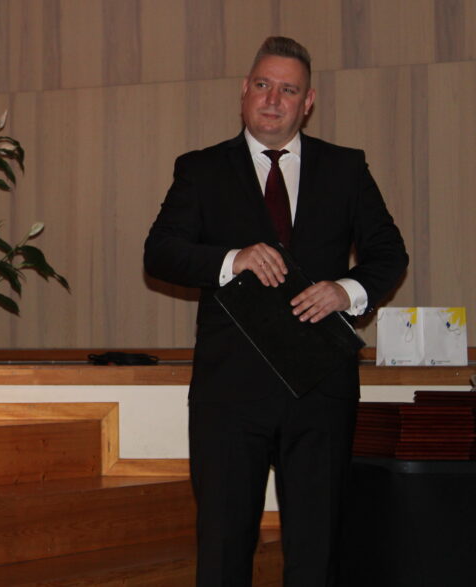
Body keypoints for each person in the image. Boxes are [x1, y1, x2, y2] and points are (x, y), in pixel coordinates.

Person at [144, 36, 408, 586]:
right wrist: (232, 259)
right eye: (263, 85)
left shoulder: (346, 168)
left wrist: (347, 291)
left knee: (316, 554)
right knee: (223, 551)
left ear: (307, 102)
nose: (272, 99)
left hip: (321, 390)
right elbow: (161, 252)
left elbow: (389, 254)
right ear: (244, 90)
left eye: (288, 90)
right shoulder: (201, 169)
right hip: (229, 392)